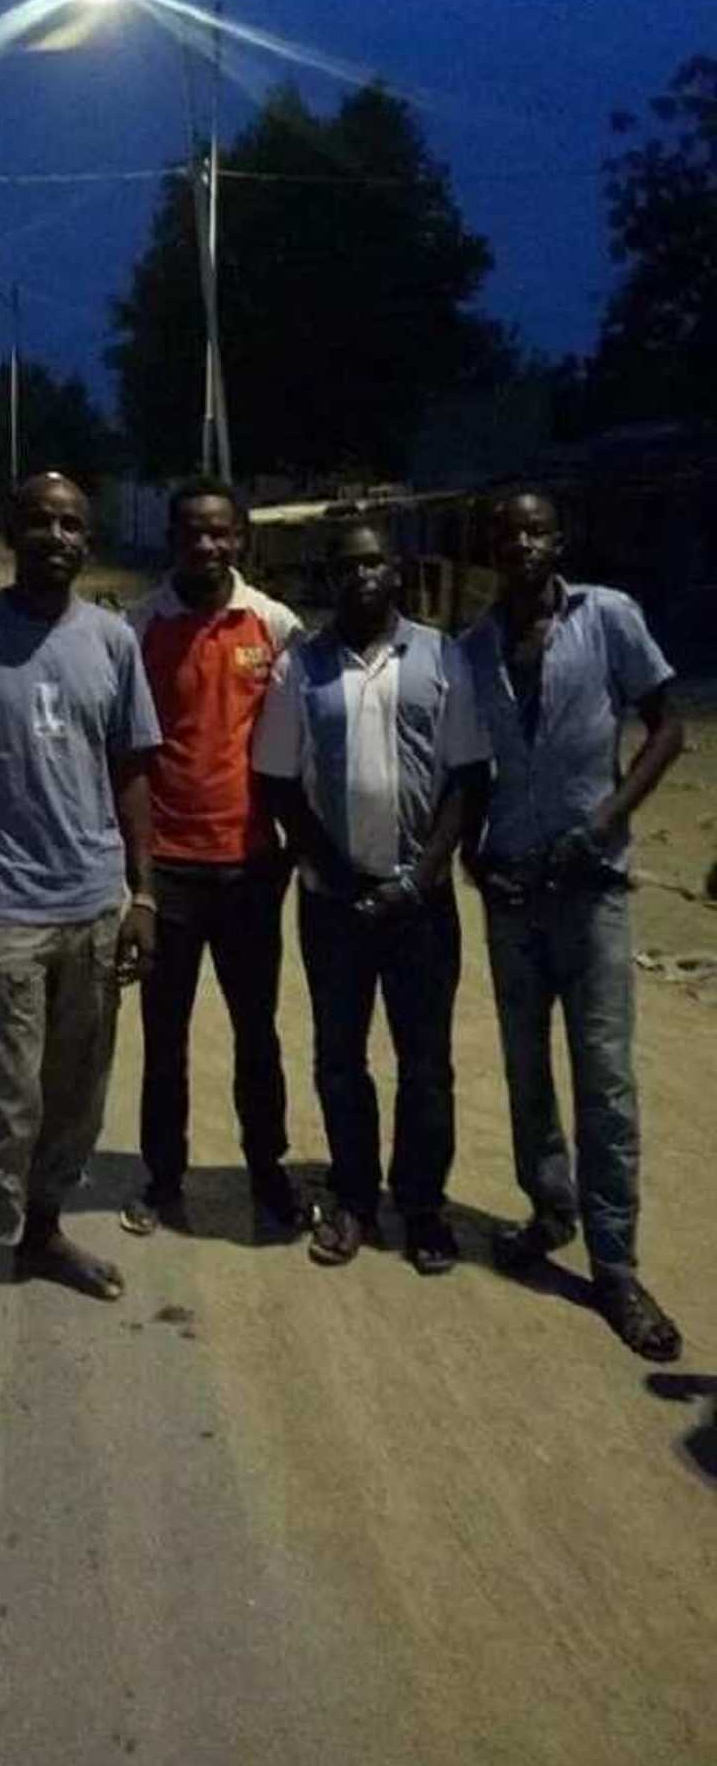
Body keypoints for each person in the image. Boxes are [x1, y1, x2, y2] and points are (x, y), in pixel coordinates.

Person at [0, 473, 161, 1383]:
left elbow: (132, 771)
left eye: (72, 523)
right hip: (7, 911)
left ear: (87, 539)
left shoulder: (113, 640)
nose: (57, 535)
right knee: (1, 1104)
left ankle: (43, 1233)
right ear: (9, 533)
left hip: (94, 906)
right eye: (40, 521)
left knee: (77, 1095)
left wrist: (144, 895)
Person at [460, 492, 684, 1361]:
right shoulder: (472, 648)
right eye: (507, 532)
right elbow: (468, 768)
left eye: (537, 530)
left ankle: (616, 1265)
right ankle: (549, 1209)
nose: (522, 542)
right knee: (527, 1071)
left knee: (606, 1079)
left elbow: (667, 729)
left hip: (591, 889)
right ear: (489, 547)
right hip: (513, 889)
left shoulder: (609, 617)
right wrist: (474, 857)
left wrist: (604, 824)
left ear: (559, 540)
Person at [253, 518, 490, 1273]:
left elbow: (468, 778)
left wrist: (419, 879)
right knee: (339, 1058)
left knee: (426, 1064)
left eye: (373, 563)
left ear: (397, 571)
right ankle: (354, 1199)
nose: (361, 577)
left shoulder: (442, 655)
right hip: (333, 903)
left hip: (422, 905)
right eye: (346, 566)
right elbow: (278, 782)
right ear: (329, 578)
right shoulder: (300, 667)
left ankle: (422, 1207)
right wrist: (339, 873)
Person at [119, 478, 304, 1242]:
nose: (206, 545)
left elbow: (301, 743)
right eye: (192, 532)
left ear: (241, 539)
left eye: (220, 532)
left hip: (251, 868)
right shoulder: (138, 628)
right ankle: (163, 1177)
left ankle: (269, 1172)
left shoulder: (275, 625)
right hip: (167, 868)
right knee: (164, 1039)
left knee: (257, 1033)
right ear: (172, 540)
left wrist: (298, 847)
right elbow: (123, 754)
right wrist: (134, 877)